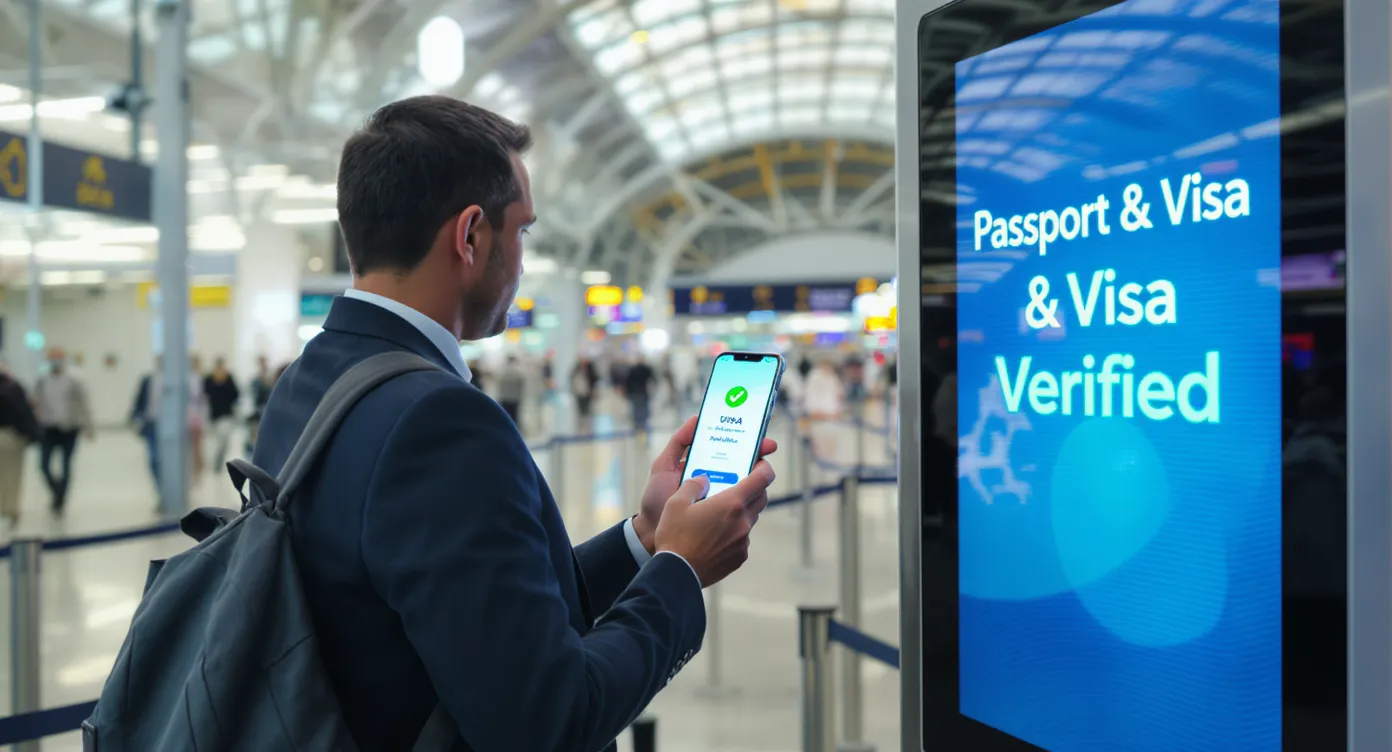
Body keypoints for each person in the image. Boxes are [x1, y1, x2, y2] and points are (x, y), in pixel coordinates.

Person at [254, 96, 778, 751]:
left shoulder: (307, 383)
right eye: (522, 231)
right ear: (471, 235)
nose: (524, 261)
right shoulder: (439, 423)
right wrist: (679, 568)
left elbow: (485, 618)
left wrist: (646, 537)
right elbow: (546, 720)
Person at [34, 348, 93, 514]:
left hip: (69, 428)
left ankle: (60, 499)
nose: (56, 362)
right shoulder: (42, 381)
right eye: (53, 359)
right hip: (48, 429)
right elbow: (35, 402)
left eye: (58, 359)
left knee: (66, 465)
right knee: (44, 466)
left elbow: (84, 404)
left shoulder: (73, 382)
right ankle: (56, 492)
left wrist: (89, 426)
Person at [0, 359, 40, 527]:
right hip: (12, 438)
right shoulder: (14, 389)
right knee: (13, 476)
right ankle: (11, 509)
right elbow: (25, 412)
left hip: (9, 436)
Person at [204, 357, 241, 471]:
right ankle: (215, 462)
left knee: (224, 441)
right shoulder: (209, 379)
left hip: (226, 415)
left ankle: (218, 461)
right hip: (214, 415)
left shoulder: (229, 378)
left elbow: (236, 394)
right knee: (216, 441)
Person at [624, 356, 657, 433]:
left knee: (637, 409)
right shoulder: (646, 369)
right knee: (643, 409)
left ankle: (638, 424)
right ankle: (642, 424)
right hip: (642, 392)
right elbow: (653, 379)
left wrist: (628, 392)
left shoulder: (633, 370)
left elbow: (627, 381)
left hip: (635, 393)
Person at [496, 355, 526, 427]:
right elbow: (522, 383)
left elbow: (498, 382)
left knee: (506, 417)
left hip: (504, 397)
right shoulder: (518, 372)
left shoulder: (502, 371)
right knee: (514, 417)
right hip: (514, 398)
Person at [571, 356, 599, 428]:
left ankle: (588, 421)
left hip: (588, 391)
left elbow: (595, 377)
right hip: (579, 391)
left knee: (588, 406)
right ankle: (582, 421)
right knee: (581, 406)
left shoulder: (590, 368)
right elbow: (572, 379)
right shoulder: (576, 370)